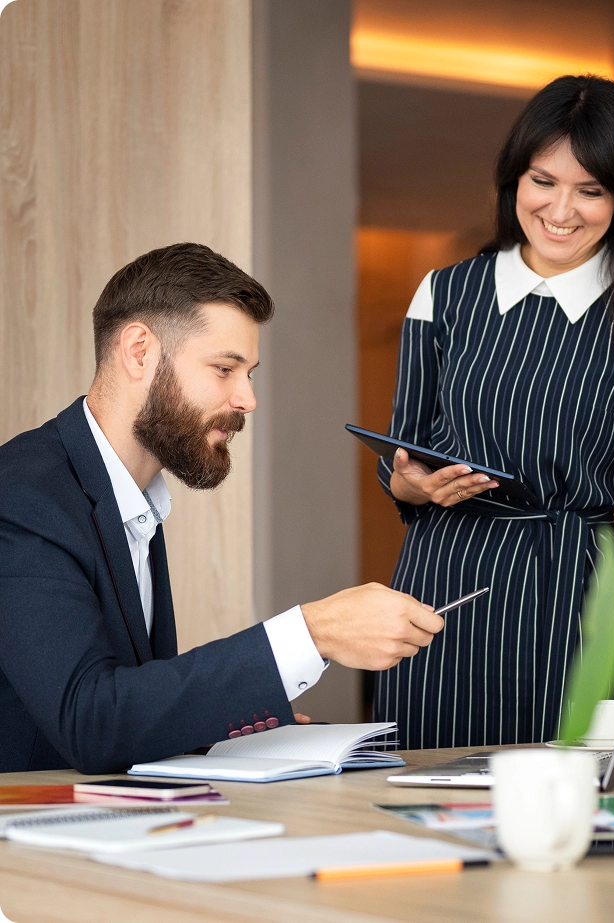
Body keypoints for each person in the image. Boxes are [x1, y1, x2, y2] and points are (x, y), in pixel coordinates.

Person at [373, 75, 614, 750]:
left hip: (572, 593)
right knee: (422, 789)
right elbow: (403, 452)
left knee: (554, 803)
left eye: (591, 189)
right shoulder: (446, 293)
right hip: (439, 584)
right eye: (543, 181)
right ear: (514, 182)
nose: (562, 208)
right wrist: (409, 482)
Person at [0, 243, 444, 774]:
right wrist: (312, 632)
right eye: (225, 369)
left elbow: (129, 712)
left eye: (249, 373)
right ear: (139, 351)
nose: (247, 399)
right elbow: (91, 722)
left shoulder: (129, 498)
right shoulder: (22, 497)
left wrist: (227, 731)